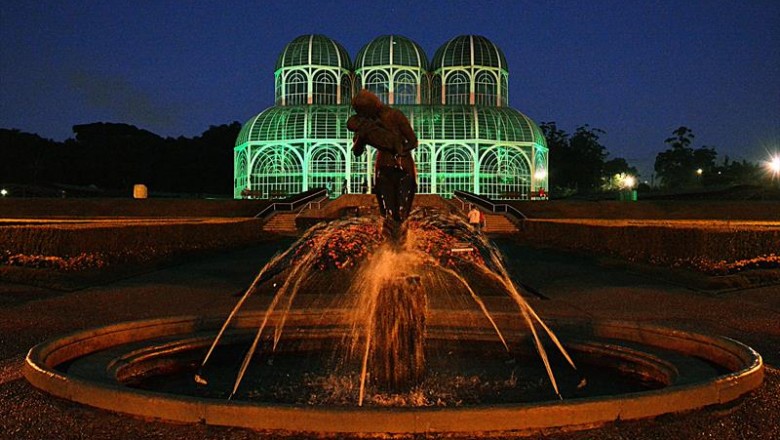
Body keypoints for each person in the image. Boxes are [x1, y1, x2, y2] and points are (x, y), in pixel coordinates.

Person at [347, 89, 418, 224]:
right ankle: (390, 244)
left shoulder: (394, 115)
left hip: (404, 168)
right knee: (387, 214)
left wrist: (399, 150)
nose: (361, 115)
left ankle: (403, 243)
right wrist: (362, 136)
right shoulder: (366, 124)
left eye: (363, 111)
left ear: (371, 107)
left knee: (402, 214)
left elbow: (413, 140)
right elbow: (356, 151)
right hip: (384, 170)